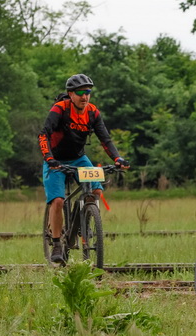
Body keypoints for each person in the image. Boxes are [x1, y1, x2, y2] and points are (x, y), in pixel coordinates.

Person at [38, 73, 130, 264]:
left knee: (96, 190)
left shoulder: (93, 112)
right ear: (70, 94)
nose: (85, 96)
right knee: (58, 200)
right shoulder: (60, 109)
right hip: (56, 159)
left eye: (88, 92)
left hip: (79, 159)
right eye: (80, 92)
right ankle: (57, 243)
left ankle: (84, 218)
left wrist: (117, 158)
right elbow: (43, 134)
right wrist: (49, 158)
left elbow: (105, 139)